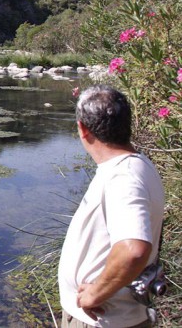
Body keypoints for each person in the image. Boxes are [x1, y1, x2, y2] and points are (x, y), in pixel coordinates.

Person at [58, 85, 165, 327]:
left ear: (83, 130)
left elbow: (133, 249)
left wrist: (95, 293)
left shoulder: (123, 178)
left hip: (104, 321)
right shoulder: (134, 165)